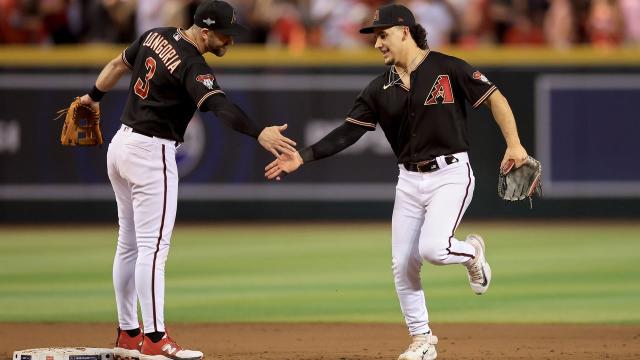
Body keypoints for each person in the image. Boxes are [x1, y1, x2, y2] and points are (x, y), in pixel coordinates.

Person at [265, 3, 529, 360]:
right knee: (403, 264)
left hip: (451, 174)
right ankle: (422, 340)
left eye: (382, 35)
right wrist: (304, 156)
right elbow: (347, 132)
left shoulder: (447, 67)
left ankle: (472, 253)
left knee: (434, 249)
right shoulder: (379, 88)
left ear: (405, 31)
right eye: (375, 38)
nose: (377, 44)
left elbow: (494, 97)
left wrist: (514, 144)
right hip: (408, 181)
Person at [77, 1, 297, 359]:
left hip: (120, 146)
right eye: (225, 34)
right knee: (152, 249)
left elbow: (118, 64)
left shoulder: (155, 35)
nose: (230, 40)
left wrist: (92, 97)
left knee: (129, 243)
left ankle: (129, 333)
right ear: (205, 30)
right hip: (151, 153)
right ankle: (154, 339)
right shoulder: (193, 64)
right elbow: (220, 106)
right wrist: (259, 133)